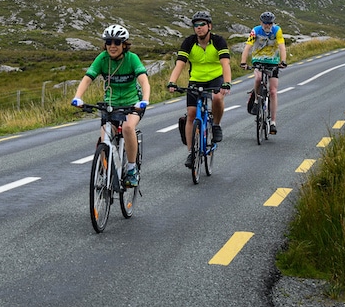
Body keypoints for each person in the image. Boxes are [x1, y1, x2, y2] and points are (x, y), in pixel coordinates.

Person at [71, 24, 151, 187]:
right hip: (110, 105)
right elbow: (88, 78)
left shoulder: (132, 58)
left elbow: (144, 80)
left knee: (128, 128)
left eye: (116, 42)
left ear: (124, 44)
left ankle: (131, 169)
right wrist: (78, 97)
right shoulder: (102, 59)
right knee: (104, 137)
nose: (112, 46)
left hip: (132, 104)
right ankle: (105, 171)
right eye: (109, 42)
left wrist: (144, 100)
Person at [167, 11, 232, 168]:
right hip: (195, 80)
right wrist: (172, 81)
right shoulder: (189, 42)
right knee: (191, 115)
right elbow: (180, 64)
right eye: (196, 25)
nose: (199, 28)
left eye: (202, 24)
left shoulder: (218, 41)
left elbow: (225, 64)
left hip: (215, 79)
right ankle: (191, 153)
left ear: (209, 26)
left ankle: (216, 125)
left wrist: (227, 82)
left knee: (217, 98)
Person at [240, 11, 287, 134]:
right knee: (257, 78)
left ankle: (273, 122)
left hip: (273, 61)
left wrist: (283, 61)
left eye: (270, 23)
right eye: (265, 23)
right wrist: (243, 62)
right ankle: (256, 100)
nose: (267, 26)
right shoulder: (255, 31)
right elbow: (247, 47)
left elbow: (282, 46)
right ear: (261, 23)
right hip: (258, 60)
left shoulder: (277, 30)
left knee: (273, 91)